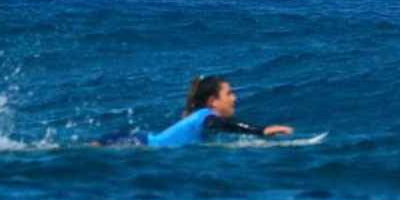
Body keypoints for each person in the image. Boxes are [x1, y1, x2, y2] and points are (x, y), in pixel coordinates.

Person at [97, 75, 293, 147]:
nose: (234, 98)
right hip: (133, 143)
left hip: (137, 140)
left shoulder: (200, 117)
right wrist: (261, 131)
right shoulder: (207, 117)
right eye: (229, 93)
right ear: (213, 101)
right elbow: (223, 125)